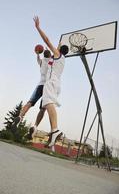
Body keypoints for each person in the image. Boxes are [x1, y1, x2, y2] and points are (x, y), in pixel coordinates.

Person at [33, 16, 69, 147]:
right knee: (48, 105)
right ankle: (54, 134)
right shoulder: (61, 58)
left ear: (59, 51)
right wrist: (59, 45)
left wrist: (38, 28)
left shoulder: (58, 55)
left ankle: (55, 130)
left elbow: (47, 41)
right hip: (56, 83)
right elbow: (56, 51)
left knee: (48, 103)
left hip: (51, 82)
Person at [11, 49, 52, 138]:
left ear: (43, 55)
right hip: (48, 87)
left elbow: (38, 58)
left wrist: (37, 54)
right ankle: (35, 126)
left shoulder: (41, 62)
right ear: (50, 55)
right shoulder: (52, 60)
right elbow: (55, 54)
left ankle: (20, 116)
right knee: (42, 109)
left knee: (30, 102)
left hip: (40, 85)